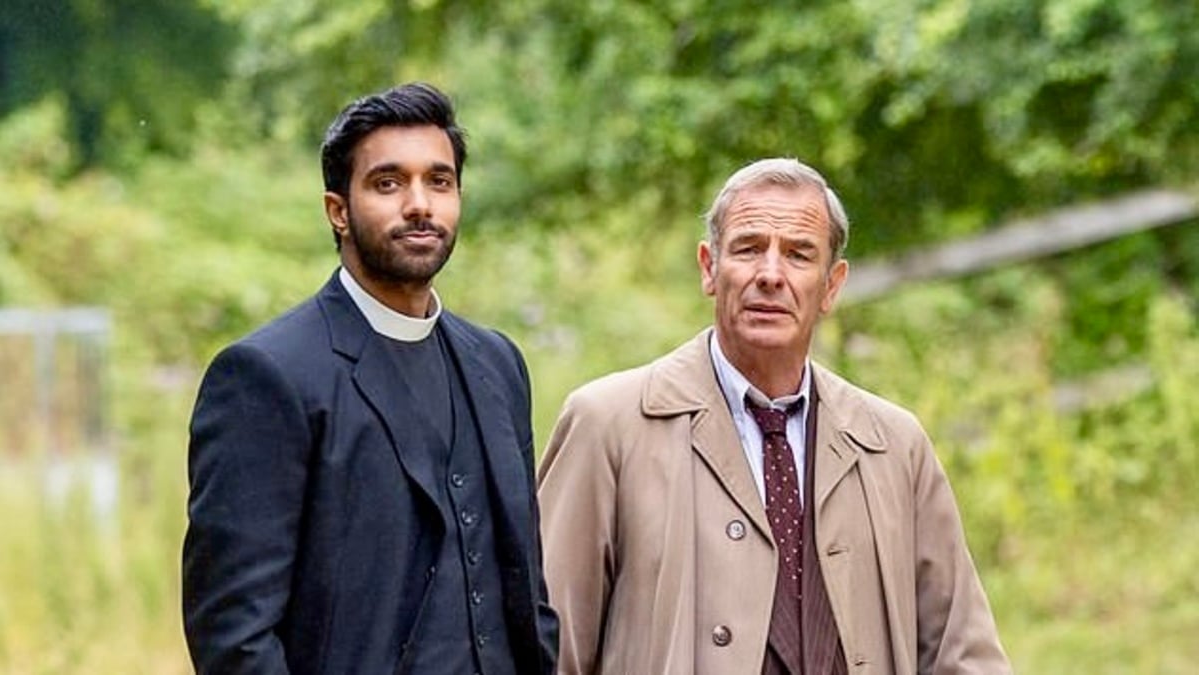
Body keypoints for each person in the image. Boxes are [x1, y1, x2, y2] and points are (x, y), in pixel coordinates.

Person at [537, 158, 1010, 674]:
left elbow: (964, 656)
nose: (770, 274)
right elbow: (546, 650)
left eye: (799, 255)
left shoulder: (895, 445)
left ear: (831, 286)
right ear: (709, 268)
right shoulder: (608, 425)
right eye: (747, 248)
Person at [182, 82, 558, 675]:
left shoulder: (498, 365)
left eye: (439, 181)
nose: (419, 205)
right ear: (338, 211)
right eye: (388, 183)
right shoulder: (266, 375)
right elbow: (235, 635)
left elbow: (527, 592)